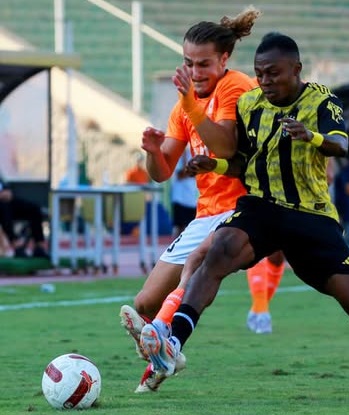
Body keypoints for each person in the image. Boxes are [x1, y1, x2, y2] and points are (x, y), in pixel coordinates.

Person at [138, 32, 349, 399]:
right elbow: (244, 161)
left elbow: (341, 144)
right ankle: (173, 344)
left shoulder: (322, 99)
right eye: (260, 73)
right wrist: (217, 164)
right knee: (215, 254)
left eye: (274, 73)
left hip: (311, 216)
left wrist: (311, 136)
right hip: (261, 207)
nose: (265, 81)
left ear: (296, 69)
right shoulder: (250, 103)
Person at [118, 6, 283, 393]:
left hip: (247, 206)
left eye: (204, 63)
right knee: (144, 303)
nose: (195, 71)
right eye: (189, 63)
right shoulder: (185, 105)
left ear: (224, 60)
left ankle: (165, 336)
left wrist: (191, 103)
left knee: (198, 264)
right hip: (207, 212)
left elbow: (224, 145)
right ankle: (166, 355)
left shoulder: (235, 87)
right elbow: (162, 171)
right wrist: (153, 151)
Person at [0, 175, 48, 258]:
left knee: (34, 209)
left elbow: (7, 190)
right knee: (4, 208)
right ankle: (15, 243)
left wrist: (7, 193)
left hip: (7, 201)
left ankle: (39, 244)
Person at [169, 146, 198, 240]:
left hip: (191, 199)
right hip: (180, 198)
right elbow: (181, 175)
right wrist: (185, 158)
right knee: (179, 227)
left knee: (191, 228)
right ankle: (175, 247)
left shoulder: (195, 153)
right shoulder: (177, 154)